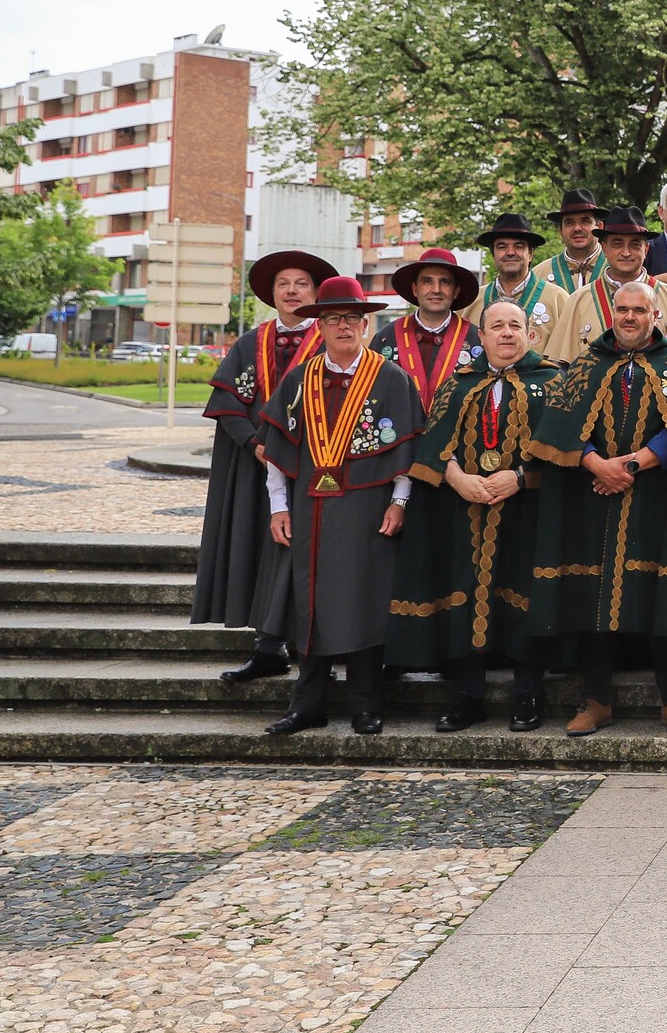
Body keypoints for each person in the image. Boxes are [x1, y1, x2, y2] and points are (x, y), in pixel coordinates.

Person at [523, 280, 667, 736]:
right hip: (593, 496)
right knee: (595, 596)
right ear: (612, 314)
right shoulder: (588, 363)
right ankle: (596, 699)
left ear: (654, 315)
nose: (629, 317)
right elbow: (562, 422)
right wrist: (596, 464)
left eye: (638, 310)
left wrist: (632, 464)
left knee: (663, 594)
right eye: (621, 309)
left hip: (656, 497)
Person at [256, 275, 425, 736]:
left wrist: (400, 502)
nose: (344, 327)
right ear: (321, 325)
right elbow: (278, 447)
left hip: (369, 506)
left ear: (366, 324)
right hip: (311, 507)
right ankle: (307, 703)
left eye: (353, 318)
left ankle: (365, 704)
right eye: (333, 319)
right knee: (309, 600)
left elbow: (407, 452)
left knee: (366, 599)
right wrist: (277, 506)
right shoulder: (300, 378)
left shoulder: (392, 379)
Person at [389, 299, 556, 734]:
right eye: (496, 326)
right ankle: (468, 696)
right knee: (463, 592)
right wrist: (457, 477)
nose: (505, 333)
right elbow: (431, 443)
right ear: (480, 337)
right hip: (463, 512)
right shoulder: (458, 385)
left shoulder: (553, 382)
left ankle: (527, 693)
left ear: (529, 334)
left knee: (524, 595)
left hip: (528, 514)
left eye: (514, 326)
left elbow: (565, 449)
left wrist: (520, 478)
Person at [194, 249, 333, 685]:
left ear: (315, 293)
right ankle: (268, 647)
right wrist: (255, 444)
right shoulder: (250, 342)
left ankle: (313, 651)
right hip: (256, 470)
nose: (292, 291)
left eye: (301, 284)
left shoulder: (331, 341)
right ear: (271, 294)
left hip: (316, 468)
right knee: (258, 550)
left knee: (313, 557)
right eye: (283, 285)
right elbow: (228, 402)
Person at [544, 205, 667, 365]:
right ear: (604, 248)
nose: (626, 253)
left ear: (646, 249)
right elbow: (563, 369)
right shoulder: (578, 301)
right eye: (617, 244)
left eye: (635, 245)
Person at [370, 247, 481, 416]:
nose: (436, 289)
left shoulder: (477, 340)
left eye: (445, 282)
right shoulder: (386, 338)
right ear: (415, 289)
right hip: (399, 441)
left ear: (456, 291)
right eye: (427, 281)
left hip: (456, 441)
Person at [462, 212, 571, 354]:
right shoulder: (472, 301)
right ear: (493, 254)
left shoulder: (558, 299)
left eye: (518, 246)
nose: (510, 252)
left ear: (530, 254)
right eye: (502, 247)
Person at [539, 188, 605, 292]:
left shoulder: (617, 269)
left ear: (600, 227)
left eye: (585, 221)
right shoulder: (539, 275)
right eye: (570, 222)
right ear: (560, 230)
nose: (577, 228)